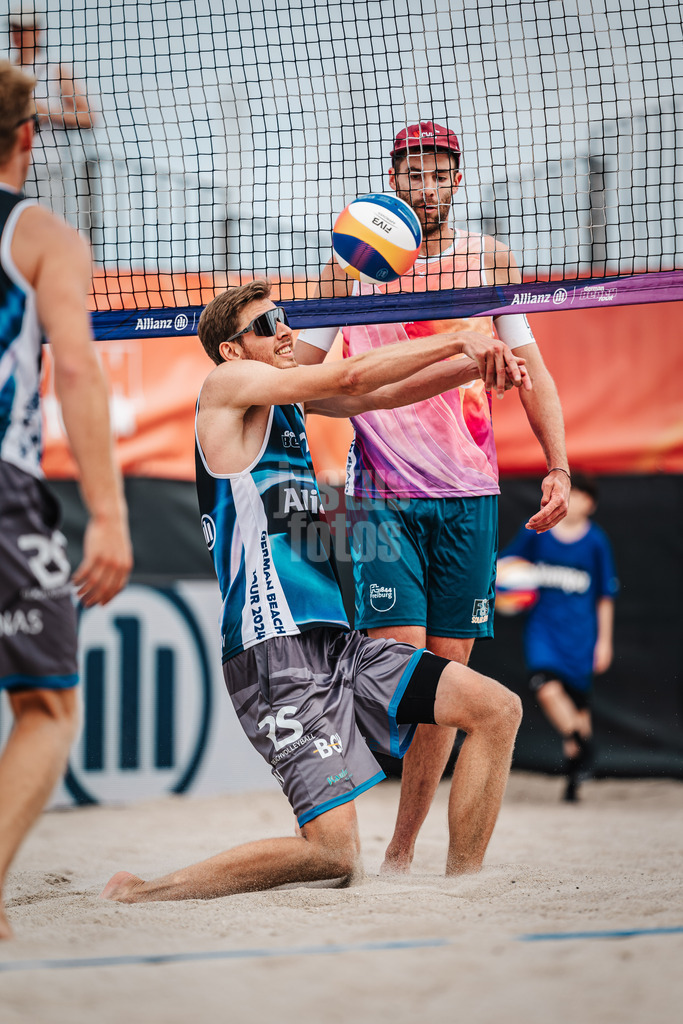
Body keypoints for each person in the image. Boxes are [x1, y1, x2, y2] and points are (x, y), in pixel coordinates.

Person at [100, 279, 527, 904]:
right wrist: (461, 336)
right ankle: (140, 892)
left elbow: (386, 394)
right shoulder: (222, 390)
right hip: (273, 652)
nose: (285, 332)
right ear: (230, 350)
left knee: (496, 710)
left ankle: (463, 893)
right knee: (334, 857)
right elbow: (352, 379)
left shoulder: (290, 403)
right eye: (267, 324)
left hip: (336, 644)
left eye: (283, 318)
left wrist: (473, 363)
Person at [295, 120, 570, 872]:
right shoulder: (350, 265)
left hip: (470, 494)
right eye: (410, 173)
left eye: (436, 173)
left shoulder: (488, 260)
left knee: (450, 678)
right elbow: (310, 390)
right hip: (380, 491)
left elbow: (532, 371)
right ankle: (324, 812)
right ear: (393, 178)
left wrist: (558, 465)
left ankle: (401, 853)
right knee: (401, 669)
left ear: (456, 179)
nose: (424, 185)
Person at [0, 61, 132, 940]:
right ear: (27, 136)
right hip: (5, 483)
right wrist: (111, 513)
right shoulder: (41, 232)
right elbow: (76, 369)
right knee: (47, 708)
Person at [500, 473, 618, 802]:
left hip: (580, 636)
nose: (574, 500)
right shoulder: (540, 531)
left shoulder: (596, 541)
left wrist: (604, 642)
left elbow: (605, 597)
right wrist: (506, 583)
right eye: (571, 493)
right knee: (546, 686)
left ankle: (574, 776)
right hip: (544, 632)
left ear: (591, 504)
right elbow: (507, 563)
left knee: (579, 708)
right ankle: (585, 745)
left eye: (581, 495)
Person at [8, 4, 97, 231]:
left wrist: (47, 112)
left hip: (50, 169)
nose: (18, 35)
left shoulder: (55, 71)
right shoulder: (6, 73)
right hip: (12, 169)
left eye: (24, 29)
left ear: (37, 31)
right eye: (15, 28)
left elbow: (89, 117)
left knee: (50, 230)